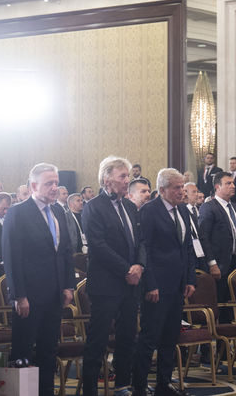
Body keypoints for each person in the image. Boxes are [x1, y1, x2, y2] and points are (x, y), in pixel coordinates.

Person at [2, 163, 75, 396]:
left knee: (48, 351)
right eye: (49, 183)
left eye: (56, 183)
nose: (54, 187)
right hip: (28, 297)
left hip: (54, 295)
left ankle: (45, 392)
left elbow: (65, 252)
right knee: (23, 353)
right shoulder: (18, 212)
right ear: (34, 186)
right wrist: (19, 295)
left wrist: (68, 286)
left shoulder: (59, 212)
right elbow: (11, 257)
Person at [81, 156, 146, 396]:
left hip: (131, 284)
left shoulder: (130, 206)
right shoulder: (93, 207)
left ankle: (122, 384)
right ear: (107, 179)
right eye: (123, 176)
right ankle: (90, 389)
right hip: (106, 284)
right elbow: (98, 246)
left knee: (128, 336)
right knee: (98, 340)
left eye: (128, 176)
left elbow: (141, 241)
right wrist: (126, 269)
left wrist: (139, 265)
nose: (127, 180)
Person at [133, 168, 196, 396]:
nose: (182, 192)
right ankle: (139, 385)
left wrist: (190, 279)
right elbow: (145, 250)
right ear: (162, 190)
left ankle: (164, 383)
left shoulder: (183, 210)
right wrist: (150, 284)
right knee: (150, 337)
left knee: (170, 337)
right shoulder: (149, 211)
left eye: (182, 187)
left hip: (177, 285)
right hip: (156, 286)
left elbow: (187, 247)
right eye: (176, 188)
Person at [198, 171, 236, 324]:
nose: (233, 186)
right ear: (217, 187)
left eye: (233, 183)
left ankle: (229, 337)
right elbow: (204, 237)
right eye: (228, 183)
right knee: (220, 303)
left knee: (233, 303)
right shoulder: (209, 207)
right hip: (220, 264)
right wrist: (212, 263)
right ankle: (216, 335)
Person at [183, 182, 207, 271]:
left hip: (202, 252)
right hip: (190, 254)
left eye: (197, 191)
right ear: (185, 193)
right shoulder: (183, 211)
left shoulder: (200, 209)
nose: (197, 194)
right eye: (193, 192)